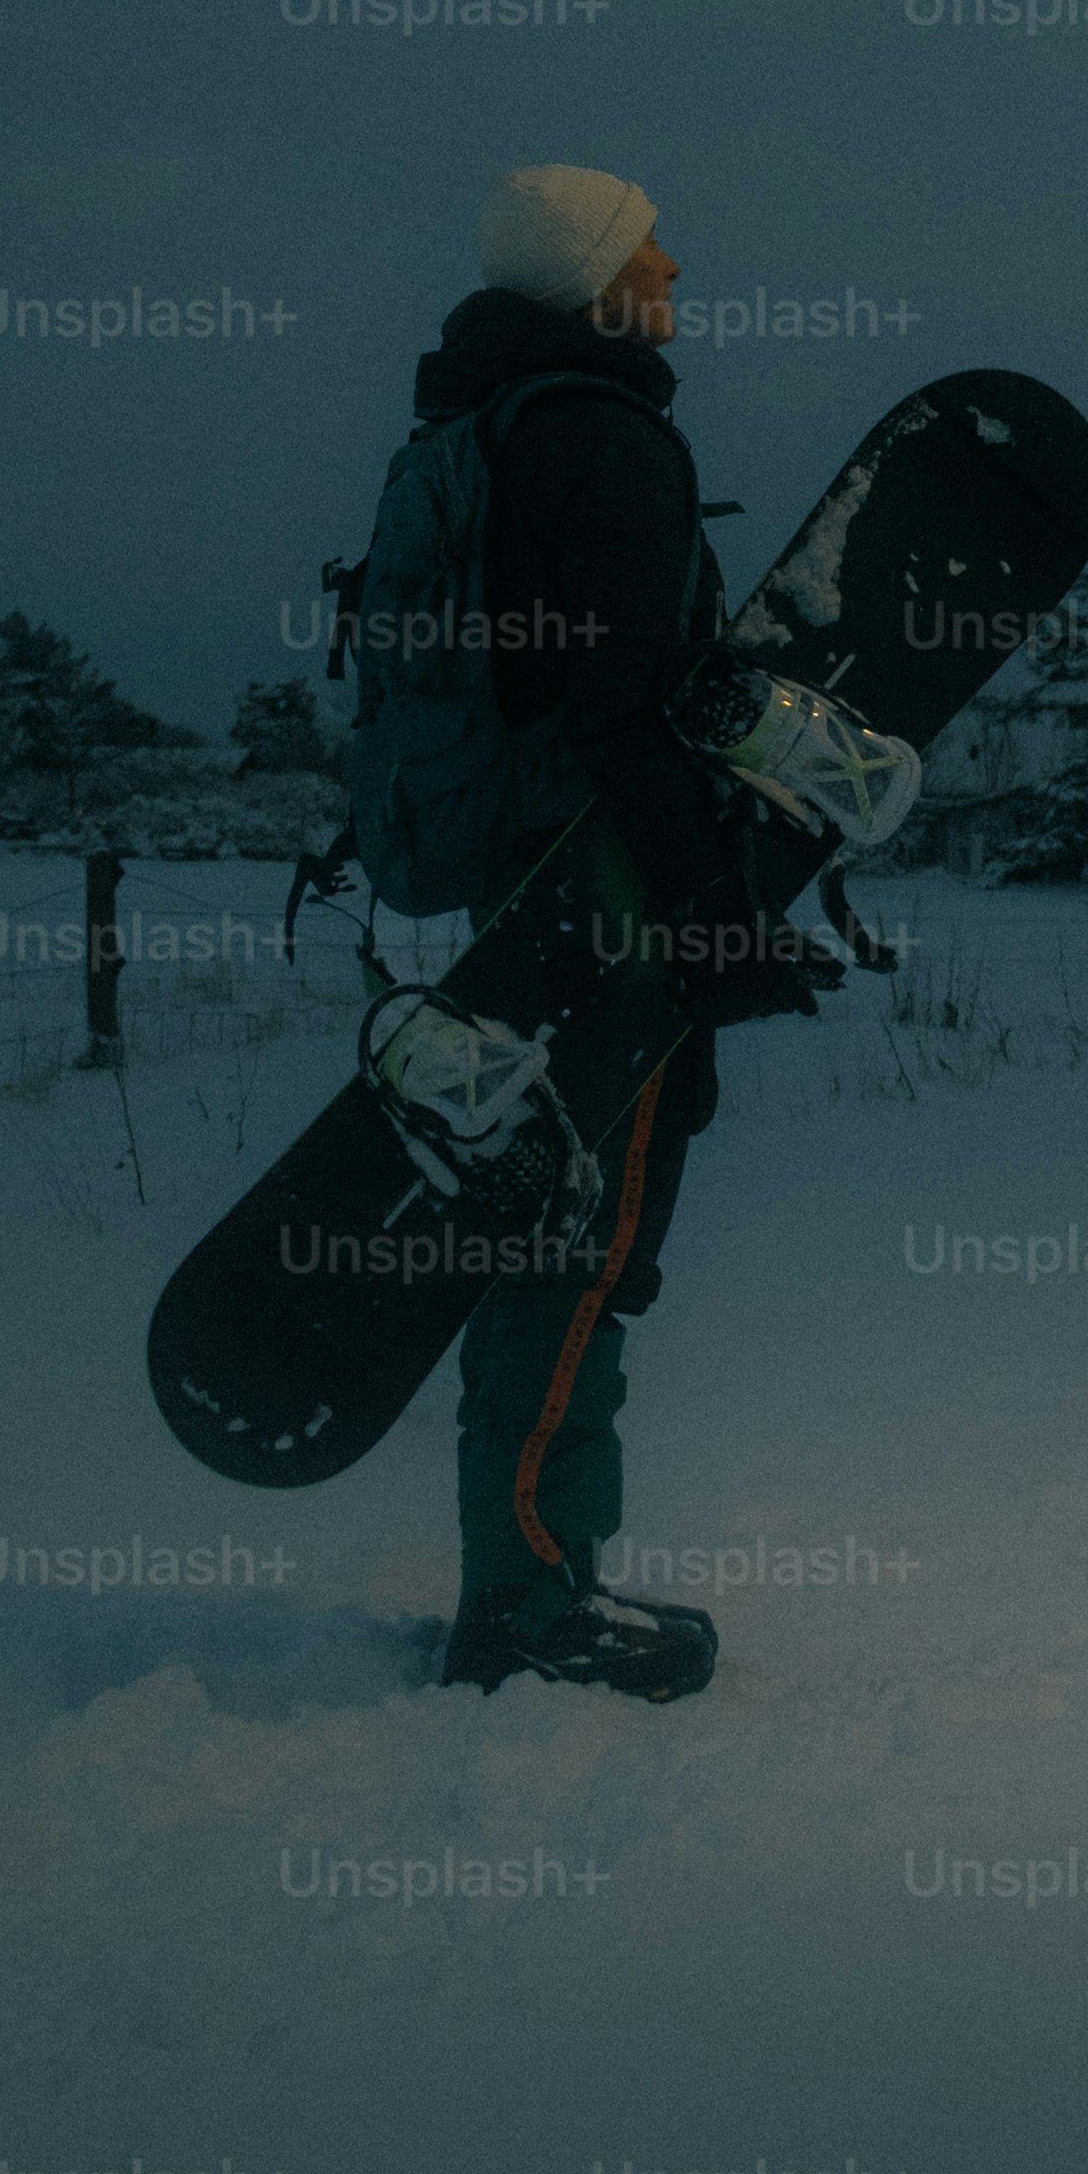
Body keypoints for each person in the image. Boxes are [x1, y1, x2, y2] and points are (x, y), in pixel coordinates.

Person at [416, 164, 834, 1700]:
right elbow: (619, 709)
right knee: (578, 1238)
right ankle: (530, 1604)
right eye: (643, 242)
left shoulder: (493, 421)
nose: (671, 262)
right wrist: (712, 918)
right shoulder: (600, 435)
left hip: (523, 882)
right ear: (593, 275)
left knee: (545, 1222)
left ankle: (524, 1579)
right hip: (600, 898)